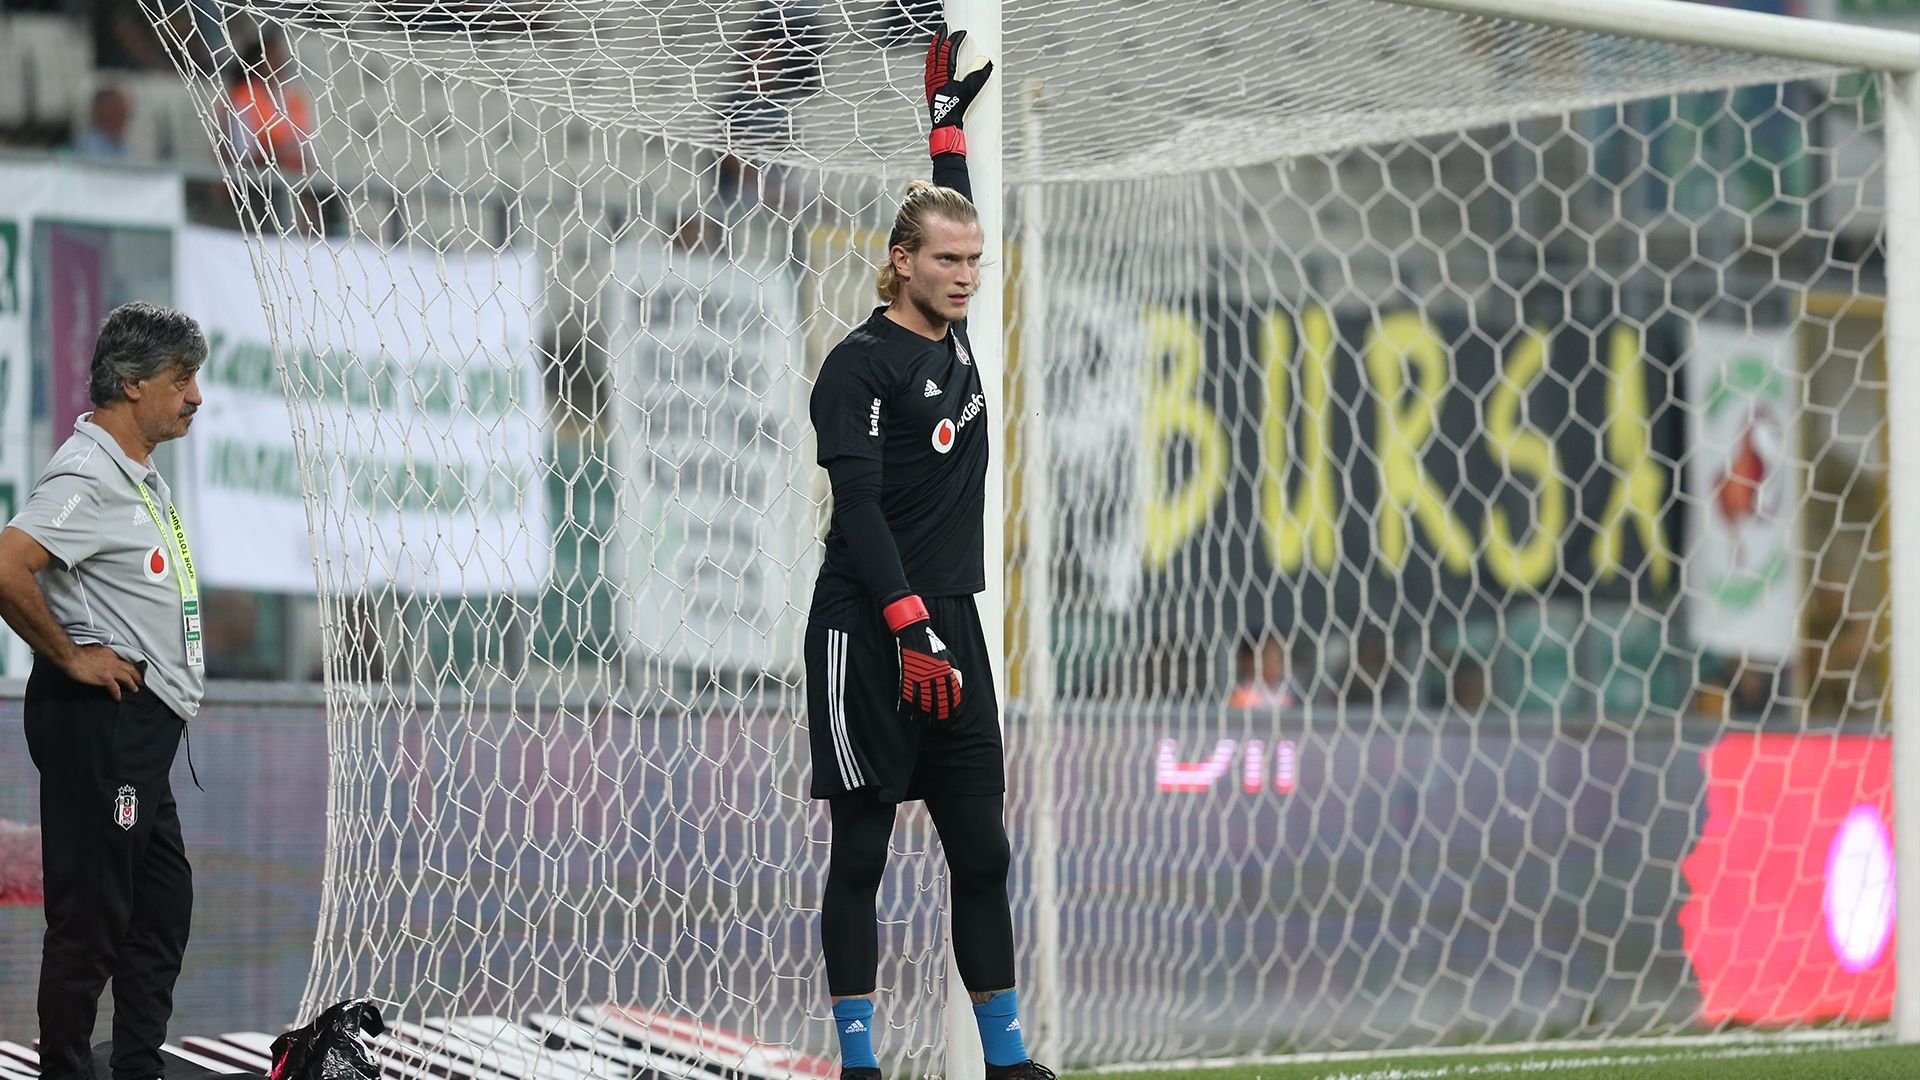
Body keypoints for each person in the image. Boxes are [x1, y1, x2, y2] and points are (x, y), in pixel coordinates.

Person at [803, 28, 1051, 1080]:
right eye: (946, 260)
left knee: (983, 851)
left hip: (950, 623)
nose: (965, 276)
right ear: (898, 262)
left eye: (974, 261)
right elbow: (857, 509)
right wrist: (906, 627)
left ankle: (1006, 1063)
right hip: (869, 626)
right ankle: (860, 1065)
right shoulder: (857, 367)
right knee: (862, 850)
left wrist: (946, 130)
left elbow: (950, 206)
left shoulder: (953, 339)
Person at [0, 302, 207, 1080]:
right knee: (93, 918)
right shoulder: (87, 475)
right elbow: (5, 565)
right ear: (130, 383)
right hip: (104, 722)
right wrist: (72, 657)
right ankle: (63, 1070)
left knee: (162, 907)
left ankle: (136, 1068)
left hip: (142, 727)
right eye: (181, 380)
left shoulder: (134, 476)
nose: (194, 396)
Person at [72, 87, 132, 161]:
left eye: (124, 112)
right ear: (100, 112)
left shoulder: (123, 146)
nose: (123, 117)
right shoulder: (87, 146)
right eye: (116, 111)